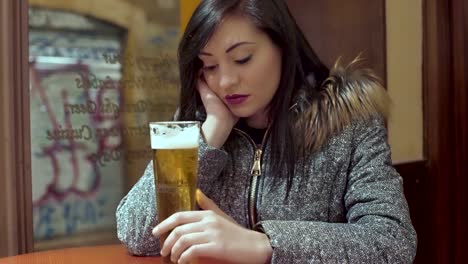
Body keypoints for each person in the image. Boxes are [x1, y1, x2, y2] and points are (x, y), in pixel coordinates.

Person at [116, 0, 417, 263]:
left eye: (242, 59)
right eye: (209, 66)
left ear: (283, 47)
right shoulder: (198, 124)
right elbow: (136, 234)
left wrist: (263, 244)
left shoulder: (350, 121)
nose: (225, 82)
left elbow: (392, 242)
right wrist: (213, 132)